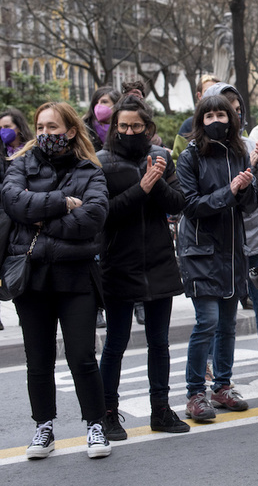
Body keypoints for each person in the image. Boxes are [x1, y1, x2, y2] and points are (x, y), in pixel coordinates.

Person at [2, 102, 111, 459]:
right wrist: (62, 203)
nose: (47, 133)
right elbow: (14, 203)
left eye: (54, 126)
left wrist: (38, 219)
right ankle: (43, 427)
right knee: (38, 359)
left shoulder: (90, 171)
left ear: (70, 130)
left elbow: (92, 220)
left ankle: (96, 426)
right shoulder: (19, 165)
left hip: (76, 277)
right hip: (31, 279)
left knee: (82, 358)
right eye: (41, 127)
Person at [96, 96, 190, 440]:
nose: (130, 131)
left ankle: (161, 410)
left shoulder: (162, 157)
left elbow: (179, 203)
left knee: (159, 343)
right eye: (123, 126)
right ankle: (107, 413)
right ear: (113, 128)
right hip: (119, 262)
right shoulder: (101, 162)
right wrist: (142, 187)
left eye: (136, 126)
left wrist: (158, 180)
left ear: (147, 127)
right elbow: (102, 214)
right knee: (116, 343)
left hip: (160, 261)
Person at [202, 82, 258, 381]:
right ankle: (211, 364)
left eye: (236, 111)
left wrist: (257, 165)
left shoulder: (248, 148)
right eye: (219, 112)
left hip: (256, 238)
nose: (230, 117)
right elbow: (196, 200)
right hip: (218, 244)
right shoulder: (197, 153)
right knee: (217, 315)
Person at [176, 94, 258, 423]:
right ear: (200, 120)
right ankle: (195, 391)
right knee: (206, 321)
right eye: (208, 115)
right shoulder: (190, 156)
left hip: (232, 250)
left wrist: (250, 181)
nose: (215, 121)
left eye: (221, 114)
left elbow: (250, 205)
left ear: (232, 118)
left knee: (228, 324)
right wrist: (231, 191)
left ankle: (222, 386)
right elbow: (192, 205)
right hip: (200, 250)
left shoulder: (240, 153)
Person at [0, 108, 32, 332]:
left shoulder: (31, 152)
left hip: (26, 216)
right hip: (3, 217)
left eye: (7, 127)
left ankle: (26, 312)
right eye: (0, 128)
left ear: (19, 128)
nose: (3, 132)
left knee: (24, 262)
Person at [171, 74, 221, 163]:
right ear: (199, 95)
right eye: (208, 91)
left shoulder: (235, 123)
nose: (213, 95)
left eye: (217, 91)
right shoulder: (188, 125)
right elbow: (176, 160)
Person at [83, 86, 120, 151]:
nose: (99, 105)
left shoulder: (125, 128)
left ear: (116, 105)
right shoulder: (84, 128)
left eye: (104, 102)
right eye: (96, 103)